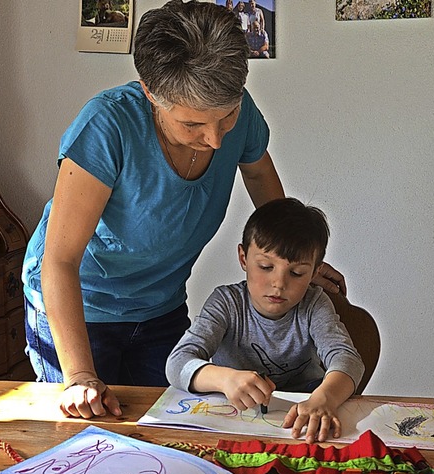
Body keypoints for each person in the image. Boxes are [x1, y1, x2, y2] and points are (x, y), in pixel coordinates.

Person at [22, 0, 346, 421]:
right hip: (82, 307)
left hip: (161, 304)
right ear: (150, 93)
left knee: (177, 428)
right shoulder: (107, 126)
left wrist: (294, 255)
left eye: (225, 117)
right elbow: (60, 259)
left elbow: (261, 180)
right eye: (192, 125)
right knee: (92, 437)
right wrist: (81, 375)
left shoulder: (241, 114)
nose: (214, 139)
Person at [166, 198, 364, 444]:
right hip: (236, 419)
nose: (279, 284)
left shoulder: (314, 304)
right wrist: (225, 379)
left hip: (303, 422)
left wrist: (324, 398)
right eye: (265, 266)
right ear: (243, 258)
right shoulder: (226, 303)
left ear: (314, 273)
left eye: (296, 273)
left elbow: (348, 360)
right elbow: (177, 363)